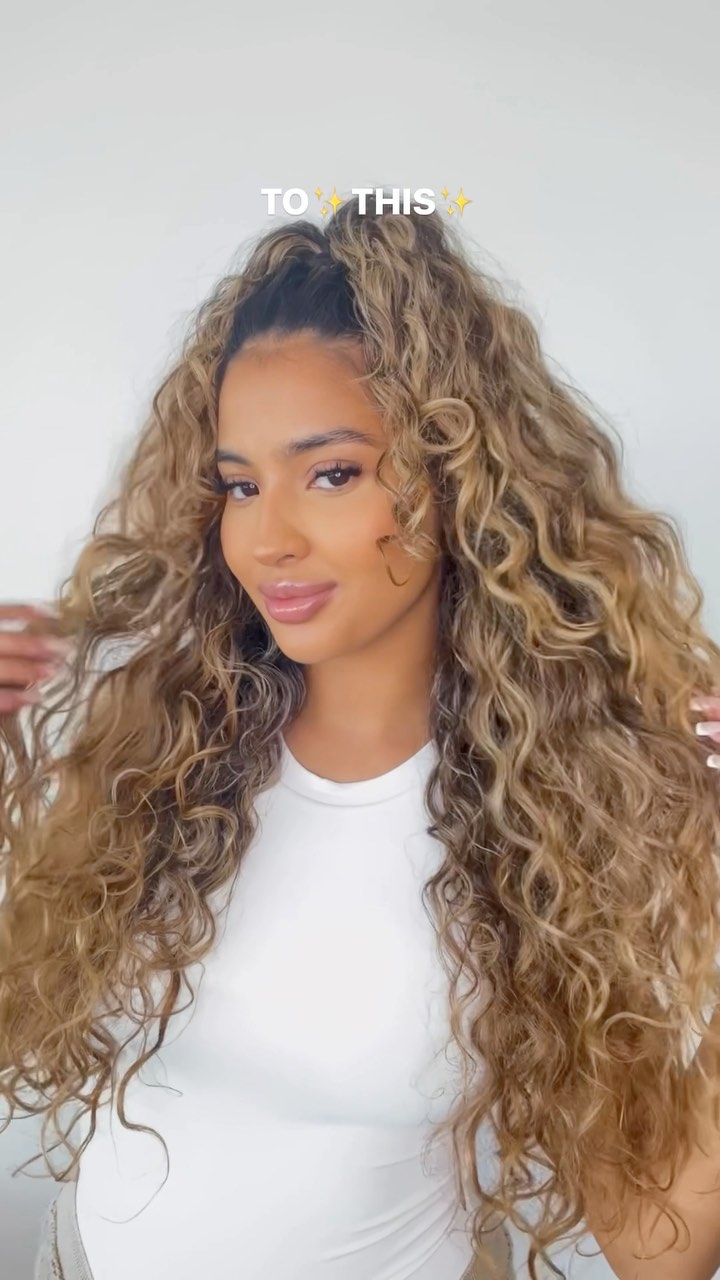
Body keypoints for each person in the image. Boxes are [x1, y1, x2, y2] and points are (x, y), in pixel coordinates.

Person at [2, 193, 720, 1280]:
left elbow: (659, 1247)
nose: (267, 537)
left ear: (459, 476)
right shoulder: (155, 734)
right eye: (241, 485)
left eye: (332, 472)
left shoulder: (572, 806)